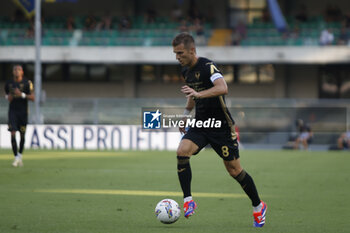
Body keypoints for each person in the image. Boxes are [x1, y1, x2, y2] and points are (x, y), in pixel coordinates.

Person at [172, 32, 267, 227]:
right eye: (175, 53)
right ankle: (188, 200)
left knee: (234, 170)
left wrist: (199, 94)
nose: (177, 57)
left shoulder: (208, 66)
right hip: (201, 124)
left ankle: (258, 206)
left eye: (180, 53)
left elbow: (223, 87)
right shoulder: (186, 72)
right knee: (182, 151)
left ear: (192, 50)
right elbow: (192, 94)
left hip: (222, 127)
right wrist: (184, 115)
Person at [4, 65, 35, 167]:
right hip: (12, 112)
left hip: (23, 113)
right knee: (12, 133)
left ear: (22, 72)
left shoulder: (27, 83)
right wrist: (11, 96)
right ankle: (16, 157)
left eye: (18, 70)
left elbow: (33, 98)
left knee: (22, 135)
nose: (16, 72)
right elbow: (7, 97)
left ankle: (20, 155)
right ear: (13, 72)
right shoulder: (8, 83)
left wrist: (21, 94)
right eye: (15, 70)